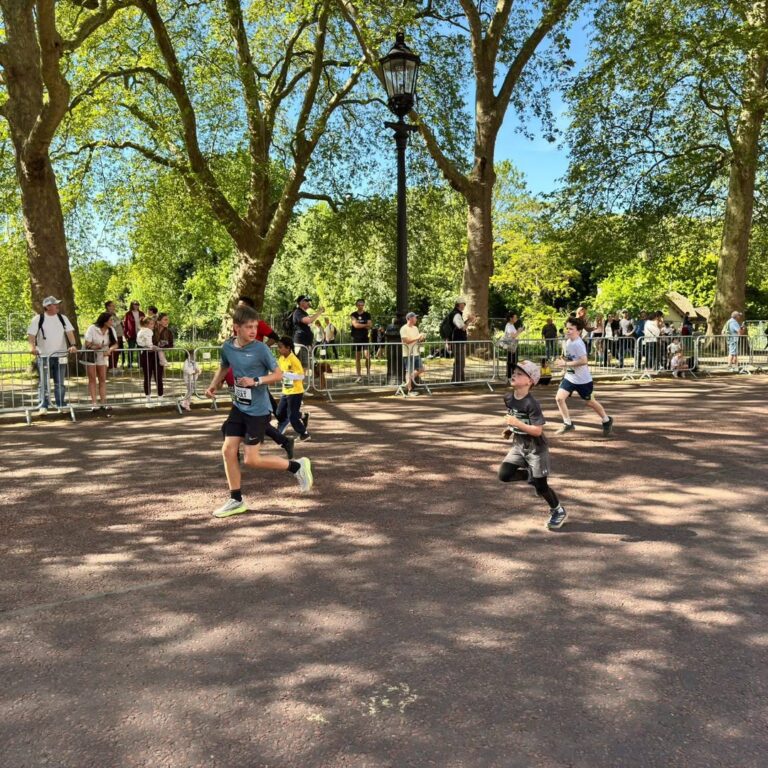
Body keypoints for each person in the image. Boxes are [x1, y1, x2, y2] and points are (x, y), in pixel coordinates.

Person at [204, 305, 313, 518]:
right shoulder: (227, 347)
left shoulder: (261, 349)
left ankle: (297, 466)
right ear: (237, 328)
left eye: (255, 326)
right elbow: (224, 366)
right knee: (227, 451)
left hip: (258, 410)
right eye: (248, 327)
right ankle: (236, 500)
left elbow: (278, 374)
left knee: (251, 460)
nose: (254, 331)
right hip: (239, 407)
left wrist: (256, 381)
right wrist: (214, 384)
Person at [498, 360, 568, 531]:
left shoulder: (532, 404)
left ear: (530, 381)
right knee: (505, 475)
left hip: (536, 448)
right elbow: (515, 416)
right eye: (514, 372)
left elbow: (537, 431)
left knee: (541, 486)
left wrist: (516, 423)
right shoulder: (508, 398)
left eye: (520, 374)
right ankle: (530, 475)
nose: (514, 375)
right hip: (519, 445)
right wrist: (510, 429)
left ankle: (558, 510)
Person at [553, 317, 614, 437]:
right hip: (570, 377)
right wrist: (563, 361)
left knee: (590, 402)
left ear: (579, 331)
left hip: (583, 380)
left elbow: (583, 361)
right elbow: (571, 359)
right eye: (567, 328)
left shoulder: (578, 343)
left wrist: (565, 363)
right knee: (559, 398)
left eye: (571, 329)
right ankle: (568, 423)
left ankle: (606, 420)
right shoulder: (569, 342)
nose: (568, 331)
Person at [26, 296, 78, 414]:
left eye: (57, 304)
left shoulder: (62, 318)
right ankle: (43, 405)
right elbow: (31, 335)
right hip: (44, 356)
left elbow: (69, 332)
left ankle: (60, 404)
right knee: (43, 382)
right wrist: (32, 347)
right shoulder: (38, 319)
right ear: (48, 307)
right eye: (55, 304)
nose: (57, 306)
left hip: (60, 355)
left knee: (60, 382)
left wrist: (73, 345)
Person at [275, 336, 311, 441]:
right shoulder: (281, 359)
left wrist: (286, 374)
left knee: (292, 417)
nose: (279, 349)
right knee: (279, 413)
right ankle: (303, 416)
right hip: (286, 390)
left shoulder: (294, 360)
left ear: (288, 348)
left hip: (295, 392)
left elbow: (301, 376)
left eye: (281, 347)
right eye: (278, 347)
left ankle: (304, 433)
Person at [82, 312, 118, 416]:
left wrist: (110, 350)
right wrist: (95, 347)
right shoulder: (92, 328)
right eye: (111, 320)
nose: (112, 322)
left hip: (103, 355)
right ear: (104, 321)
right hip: (91, 355)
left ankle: (103, 402)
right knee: (92, 378)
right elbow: (87, 343)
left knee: (102, 378)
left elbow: (115, 344)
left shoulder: (111, 330)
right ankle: (94, 402)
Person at [137, 316, 163, 406]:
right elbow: (148, 343)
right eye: (151, 324)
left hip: (147, 354)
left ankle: (151, 399)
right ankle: (155, 399)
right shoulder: (147, 331)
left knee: (152, 377)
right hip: (148, 354)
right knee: (150, 377)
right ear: (146, 324)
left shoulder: (142, 331)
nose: (153, 325)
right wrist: (152, 347)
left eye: (153, 323)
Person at [292, 295, 324, 369]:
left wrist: (310, 343)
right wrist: (319, 312)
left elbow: (308, 326)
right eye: (306, 301)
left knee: (306, 366)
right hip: (301, 344)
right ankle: (301, 380)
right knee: (303, 367)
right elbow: (309, 321)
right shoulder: (298, 312)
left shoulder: (304, 313)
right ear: (301, 302)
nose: (308, 303)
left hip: (306, 344)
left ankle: (303, 380)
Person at [399, 311, 426, 396]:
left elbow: (417, 340)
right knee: (408, 371)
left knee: (421, 369)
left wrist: (421, 339)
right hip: (408, 353)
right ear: (409, 319)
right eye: (414, 317)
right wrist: (417, 337)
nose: (416, 319)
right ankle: (409, 389)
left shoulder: (415, 328)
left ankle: (408, 381)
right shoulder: (403, 328)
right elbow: (406, 341)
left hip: (416, 352)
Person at [450, 299, 475, 383]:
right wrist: (469, 321)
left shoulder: (457, 314)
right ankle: (457, 381)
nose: (464, 305)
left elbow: (461, 326)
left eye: (464, 304)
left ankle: (460, 380)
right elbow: (463, 327)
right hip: (457, 341)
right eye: (462, 304)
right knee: (459, 361)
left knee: (461, 361)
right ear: (458, 305)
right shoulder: (456, 315)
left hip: (459, 341)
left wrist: (469, 321)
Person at [350, 299, 372, 382]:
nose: (360, 306)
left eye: (362, 305)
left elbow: (370, 325)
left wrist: (362, 325)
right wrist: (365, 325)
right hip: (356, 338)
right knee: (357, 358)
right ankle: (359, 376)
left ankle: (368, 374)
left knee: (368, 356)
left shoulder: (367, 314)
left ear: (364, 305)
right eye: (359, 305)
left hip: (365, 338)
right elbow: (355, 325)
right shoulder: (353, 314)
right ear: (356, 305)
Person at [122, 301, 145, 368]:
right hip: (131, 335)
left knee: (140, 350)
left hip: (141, 335)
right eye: (135, 304)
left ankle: (140, 364)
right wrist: (125, 335)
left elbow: (145, 323)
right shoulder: (128, 314)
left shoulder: (141, 313)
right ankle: (130, 364)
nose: (136, 306)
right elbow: (125, 325)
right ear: (132, 305)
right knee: (131, 350)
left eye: (138, 304)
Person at [105, 301, 124, 373]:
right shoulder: (106, 315)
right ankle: (111, 367)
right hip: (113, 336)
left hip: (119, 335)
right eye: (112, 306)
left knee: (117, 352)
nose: (114, 307)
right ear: (108, 307)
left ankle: (115, 366)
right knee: (113, 351)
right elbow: (112, 324)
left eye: (114, 306)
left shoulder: (114, 314)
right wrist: (119, 322)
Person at [502, 312, 520, 380]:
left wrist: (518, 332)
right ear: (511, 318)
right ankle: (510, 376)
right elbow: (513, 336)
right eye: (515, 317)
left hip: (513, 346)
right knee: (511, 361)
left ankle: (511, 375)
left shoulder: (511, 325)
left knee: (513, 360)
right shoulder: (509, 325)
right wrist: (519, 331)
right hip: (511, 346)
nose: (516, 319)